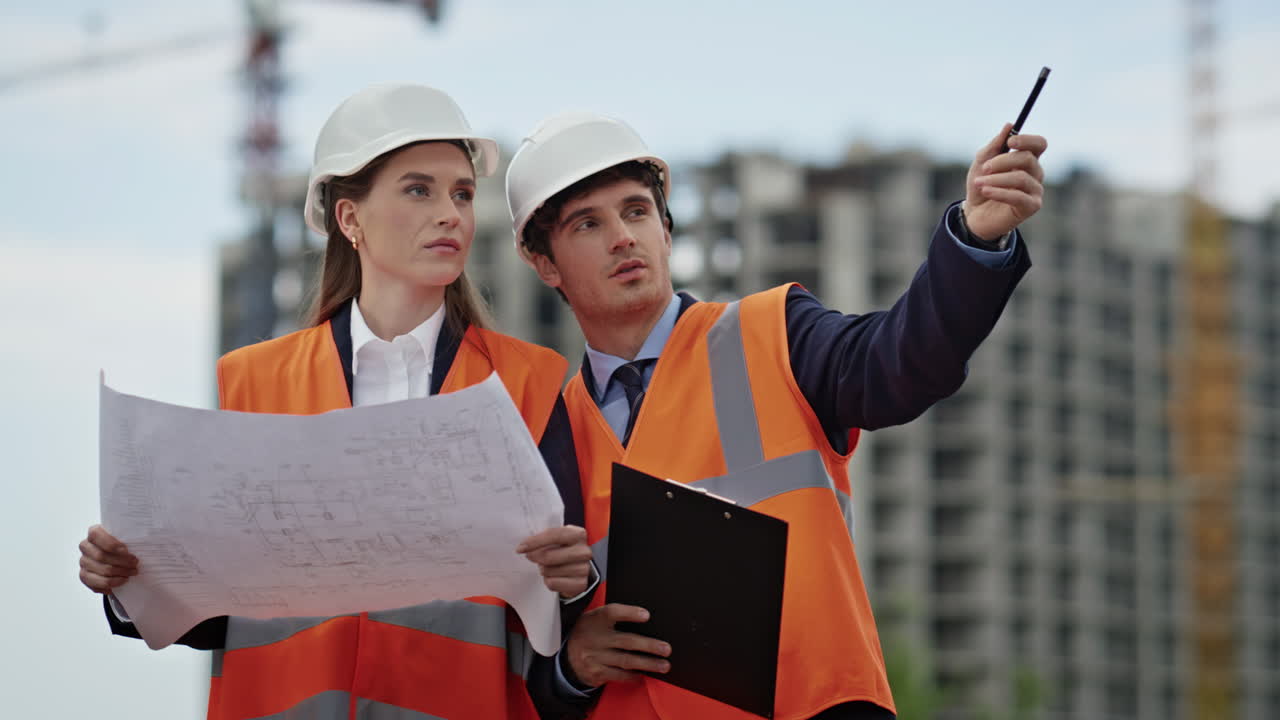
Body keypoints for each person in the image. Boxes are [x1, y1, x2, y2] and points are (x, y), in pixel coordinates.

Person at [77, 84, 596, 720]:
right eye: (419, 190)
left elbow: (567, 626)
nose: (452, 213)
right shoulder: (254, 383)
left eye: (462, 192)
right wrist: (130, 580)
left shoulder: (532, 383)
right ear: (350, 220)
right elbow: (218, 607)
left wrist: (577, 585)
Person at [504, 111, 1046, 720]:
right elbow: (526, 653)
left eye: (636, 211)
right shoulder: (539, 437)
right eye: (588, 224)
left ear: (666, 228)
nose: (623, 237)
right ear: (545, 264)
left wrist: (974, 239)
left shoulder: (772, 334)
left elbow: (903, 362)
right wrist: (572, 668)